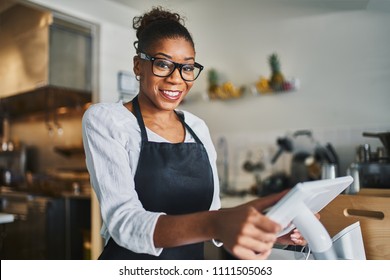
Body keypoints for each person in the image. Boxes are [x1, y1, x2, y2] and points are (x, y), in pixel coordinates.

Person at [82, 6, 307, 260]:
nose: (177, 79)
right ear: (138, 66)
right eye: (163, 64)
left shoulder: (197, 127)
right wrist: (216, 223)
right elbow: (125, 222)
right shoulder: (107, 120)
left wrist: (274, 231)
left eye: (187, 68)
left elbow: (213, 214)